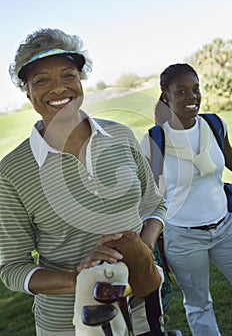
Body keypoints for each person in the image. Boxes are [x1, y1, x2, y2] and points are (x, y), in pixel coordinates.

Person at [0, 28, 167, 336]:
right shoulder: (11, 171)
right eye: (41, 80)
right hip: (68, 324)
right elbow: (12, 269)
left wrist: (142, 248)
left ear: (81, 79)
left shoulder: (121, 135)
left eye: (68, 75)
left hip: (142, 311)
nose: (58, 88)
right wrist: (79, 279)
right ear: (27, 91)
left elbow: (154, 203)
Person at [140, 63, 232, 336]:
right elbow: (149, 195)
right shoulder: (155, 140)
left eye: (195, 89)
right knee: (198, 303)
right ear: (166, 96)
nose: (192, 97)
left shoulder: (215, 124)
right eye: (181, 91)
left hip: (226, 228)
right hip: (182, 237)